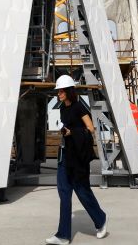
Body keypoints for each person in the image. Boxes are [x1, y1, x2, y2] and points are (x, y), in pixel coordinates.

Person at [45, 74, 108, 245]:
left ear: (69, 91)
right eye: (58, 91)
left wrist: (73, 132)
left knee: (82, 191)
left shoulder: (79, 107)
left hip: (78, 158)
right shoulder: (62, 108)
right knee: (64, 194)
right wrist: (64, 130)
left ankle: (101, 219)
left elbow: (90, 129)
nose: (58, 94)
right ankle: (63, 235)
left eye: (61, 91)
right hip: (65, 155)